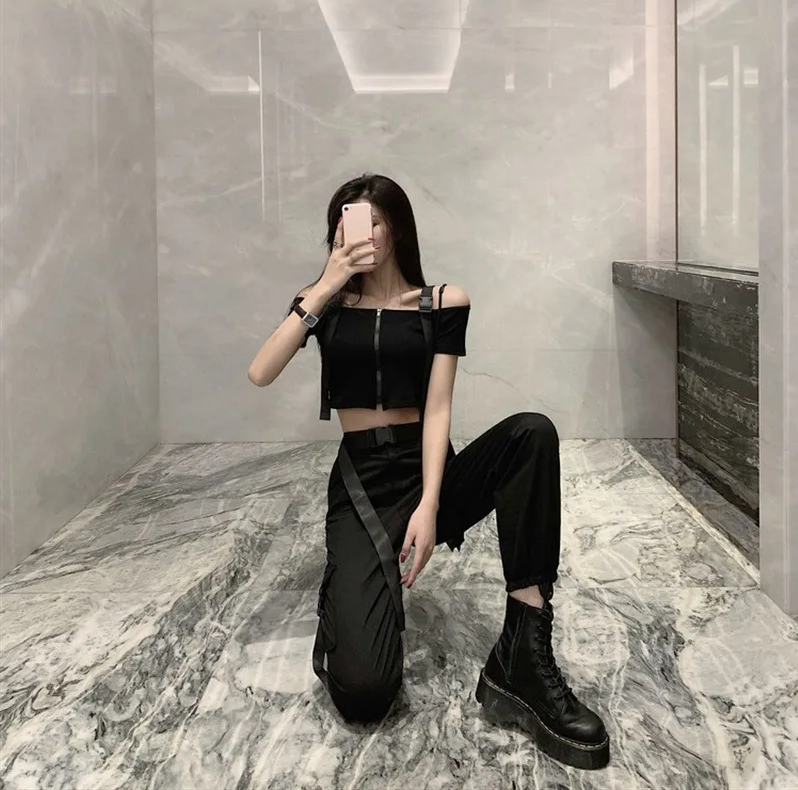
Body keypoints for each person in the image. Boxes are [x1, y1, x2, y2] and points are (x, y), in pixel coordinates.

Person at [247, 174, 610, 771]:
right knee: (364, 695)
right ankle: (345, 603)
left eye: (372, 220)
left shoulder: (442, 302)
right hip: (363, 484)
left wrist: (429, 506)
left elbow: (438, 407)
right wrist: (329, 282)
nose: (357, 232)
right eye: (344, 221)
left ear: (397, 227)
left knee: (531, 433)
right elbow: (261, 372)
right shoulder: (325, 302)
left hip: (426, 470)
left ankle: (522, 652)